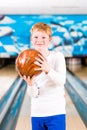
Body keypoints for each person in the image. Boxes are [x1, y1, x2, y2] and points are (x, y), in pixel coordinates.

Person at [21, 22, 66, 130]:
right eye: (36, 37)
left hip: (56, 112)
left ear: (49, 39)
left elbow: (61, 81)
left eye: (43, 37)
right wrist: (30, 84)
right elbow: (34, 94)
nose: (39, 40)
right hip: (37, 113)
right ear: (32, 39)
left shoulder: (57, 57)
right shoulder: (28, 61)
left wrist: (48, 70)